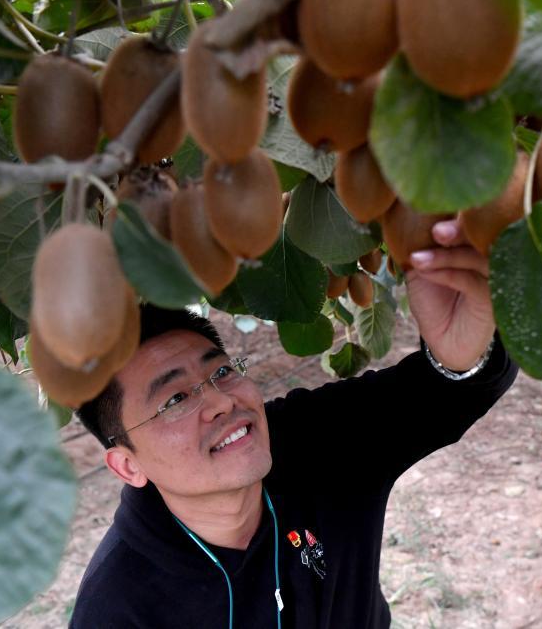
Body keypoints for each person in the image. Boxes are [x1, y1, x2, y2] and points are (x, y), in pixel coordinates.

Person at [69, 218, 519, 628]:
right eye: (175, 400)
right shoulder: (118, 609)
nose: (221, 402)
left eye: (221, 372)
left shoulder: (315, 442)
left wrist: (460, 351)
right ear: (127, 465)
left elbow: (442, 397)